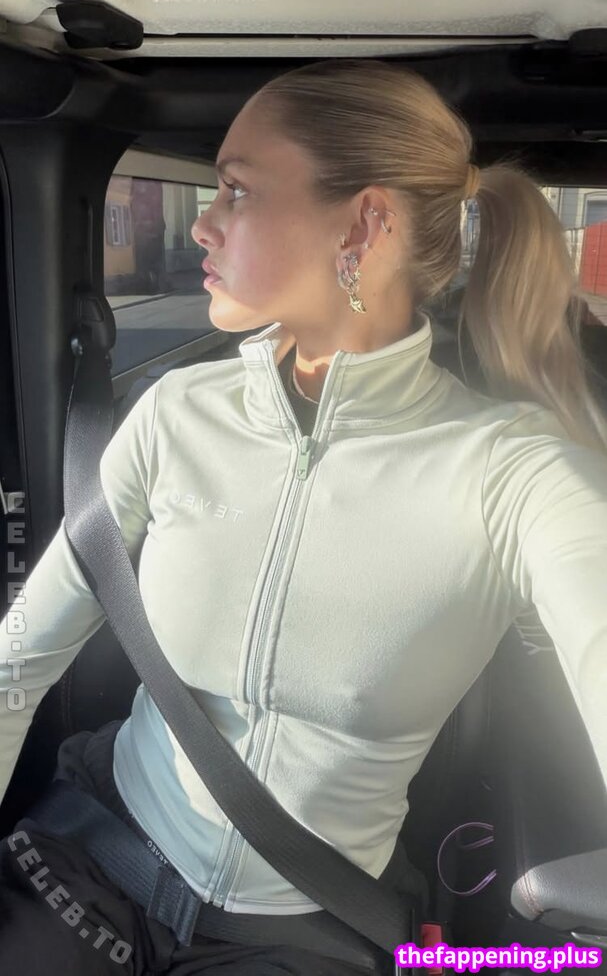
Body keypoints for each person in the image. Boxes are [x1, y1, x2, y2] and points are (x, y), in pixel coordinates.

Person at [1, 58, 606, 974]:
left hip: (301, 928)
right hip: (91, 857)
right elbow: (20, 659)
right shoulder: (173, 414)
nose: (202, 222)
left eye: (236, 190)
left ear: (361, 226)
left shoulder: (511, 472)